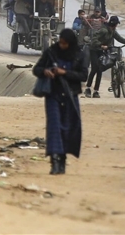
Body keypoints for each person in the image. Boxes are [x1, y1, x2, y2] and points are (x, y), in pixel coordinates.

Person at [32, 28, 87, 175]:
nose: (62, 46)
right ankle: (55, 162)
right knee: (54, 127)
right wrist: (45, 71)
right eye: (60, 43)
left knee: (69, 127)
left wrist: (65, 73)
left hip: (70, 96)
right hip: (53, 95)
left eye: (65, 44)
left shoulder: (79, 55)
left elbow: (83, 75)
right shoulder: (51, 52)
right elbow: (36, 69)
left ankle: (62, 160)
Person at [85, 16, 125, 98]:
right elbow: (94, 39)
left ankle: (96, 91)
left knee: (100, 70)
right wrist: (101, 45)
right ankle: (88, 88)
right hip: (94, 50)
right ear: (114, 24)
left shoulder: (112, 31)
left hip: (102, 51)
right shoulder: (104, 30)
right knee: (94, 69)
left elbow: (119, 38)